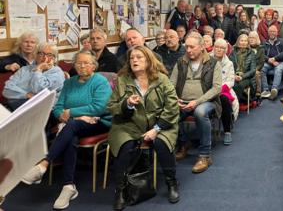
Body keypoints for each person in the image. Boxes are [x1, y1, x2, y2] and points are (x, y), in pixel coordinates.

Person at [21, 50, 112, 210]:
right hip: (75, 124)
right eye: (78, 63)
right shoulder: (69, 83)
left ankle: (44, 164)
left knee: (72, 127)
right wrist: (72, 117)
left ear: (93, 66)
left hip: (100, 122)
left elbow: (99, 108)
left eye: (86, 63)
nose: (82, 66)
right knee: (71, 136)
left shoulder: (100, 81)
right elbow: (57, 107)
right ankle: (68, 187)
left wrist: (70, 113)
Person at [107, 45, 180, 209]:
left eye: (139, 57)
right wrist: (127, 104)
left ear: (148, 60)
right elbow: (112, 107)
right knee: (125, 146)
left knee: (162, 144)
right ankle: (120, 190)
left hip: (160, 124)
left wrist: (156, 129)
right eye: (132, 58)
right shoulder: (123, 80)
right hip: (128, 124)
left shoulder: (161, 79)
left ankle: (172, 182)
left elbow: (172, 106)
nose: (134, 60)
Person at [171, 32, 222, 173]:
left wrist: (197, 101)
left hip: (207, 102)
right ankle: (184, 144)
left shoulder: (213, 63)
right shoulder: (181, 62)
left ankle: (205, 156)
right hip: (183, 102)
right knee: (169, 112)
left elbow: (217, 88)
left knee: (200, 112)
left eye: (192, 47)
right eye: (186, 47)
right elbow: (170, 84)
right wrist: (175, 98)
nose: (188, 50)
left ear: (201, 47)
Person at [3, 43, 64, 110]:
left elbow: (38, 90)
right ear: (36, 55)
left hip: (42, 110)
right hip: (17, 106)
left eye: (49, 55)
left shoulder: (57, 73)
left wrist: (38, 70)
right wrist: (26, 94)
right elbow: (6, 90)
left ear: (55, 58)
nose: (45, 58)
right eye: (41, 54)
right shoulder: (24, 69)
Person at [211, 39, 239, 145]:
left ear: (225, 50)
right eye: (217, 47)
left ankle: (227, 131)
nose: (218, 49)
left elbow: (230, 82)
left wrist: (218, 89)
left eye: (222, 48)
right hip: (207, 89)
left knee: (225, 101)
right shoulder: (207, 59)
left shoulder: (229, 63)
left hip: (222, 90)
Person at [260, 25, 283, 100]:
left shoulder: (282, 41)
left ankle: (274, 90)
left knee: (278, 69)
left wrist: (275, 58)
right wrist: (269, 60)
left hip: (280, 62)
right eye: (270, 31)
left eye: (274, 31)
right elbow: (261, 54)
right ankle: (266, 90)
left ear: (277, 32)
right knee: (262, 69)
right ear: (268, 33)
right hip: (268, 62)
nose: (272, 33)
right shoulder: (264, 42)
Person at [230, 34, 256, 104]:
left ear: (248, 43)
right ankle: (232, 103)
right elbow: (229, 66)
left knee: (239, 85)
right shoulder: (233, 52)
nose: (244, 42)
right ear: (238, 42)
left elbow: (253, 70)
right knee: (233, 84)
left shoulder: (251, 53)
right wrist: (234, 76)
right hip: (234, 76)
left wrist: (242, 77)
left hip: (246, 77)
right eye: (242, 41)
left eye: (245, 41)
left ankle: (235, 104)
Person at [248, 31, 265, 97]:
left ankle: (258, 92)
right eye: (250, 38)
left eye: (253, 38)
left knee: (257, 73)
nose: (251, 39)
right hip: (247, 68)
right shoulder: (246, 48)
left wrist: (254, 69)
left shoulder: (261, 49)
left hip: (256, 68)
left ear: (257, 39)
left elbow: (261, 63)